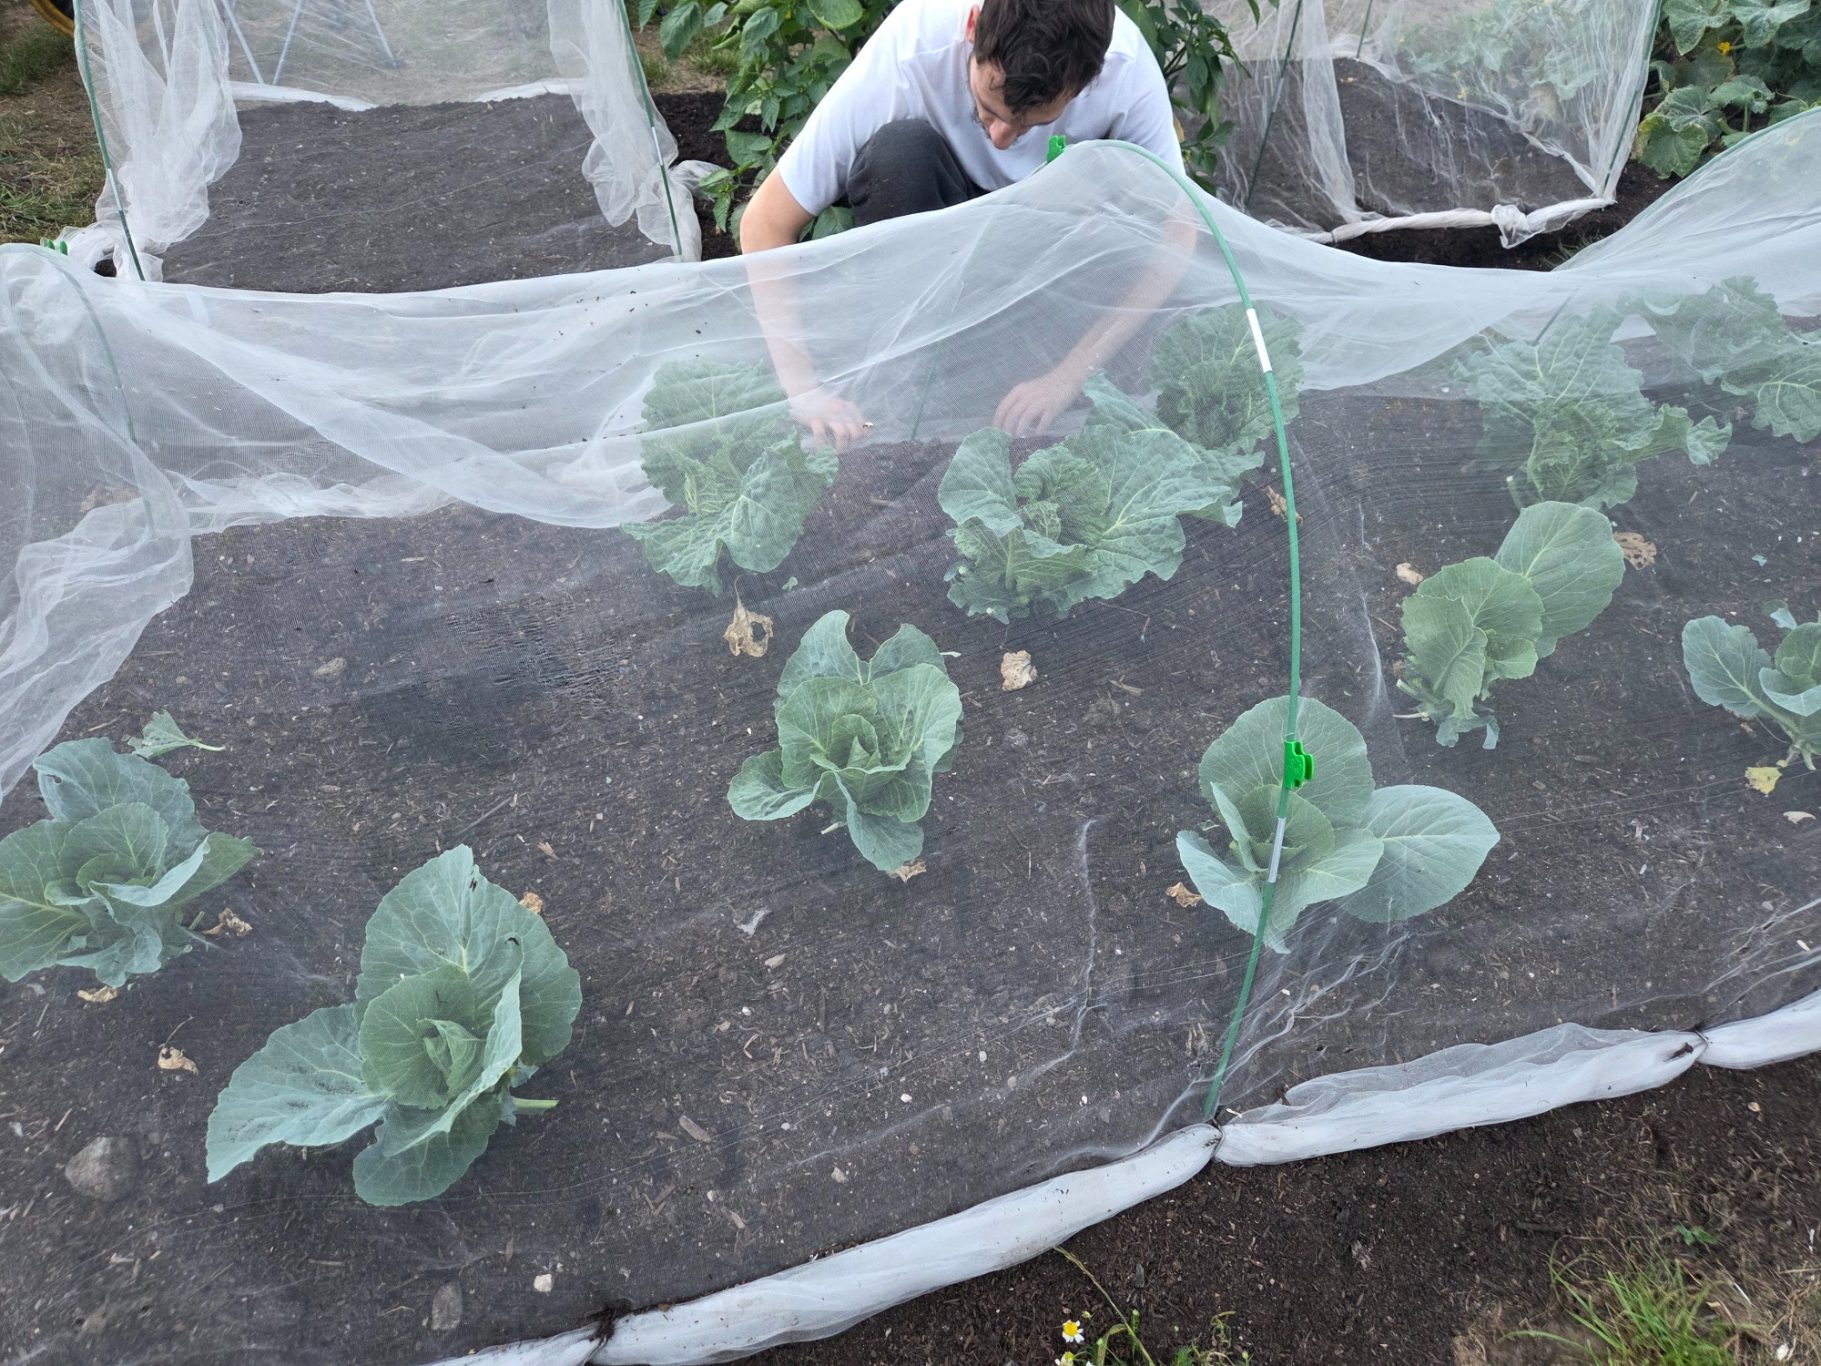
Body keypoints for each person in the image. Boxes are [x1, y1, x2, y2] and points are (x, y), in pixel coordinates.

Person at [738, 0, 1191, 449]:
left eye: (1031, 125)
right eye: (988, 108)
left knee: (1128, 202)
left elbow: (1178, 232)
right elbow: (765, 222)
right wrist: (804, 390)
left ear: (1087, 82)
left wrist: (1067, 376)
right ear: (973, 27)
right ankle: (912, 378)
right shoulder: (913, 45)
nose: (1000, 139)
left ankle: (1021, 372)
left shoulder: (1126, 72)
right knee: (900, 156)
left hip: (1040, 249)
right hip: (935, 229)